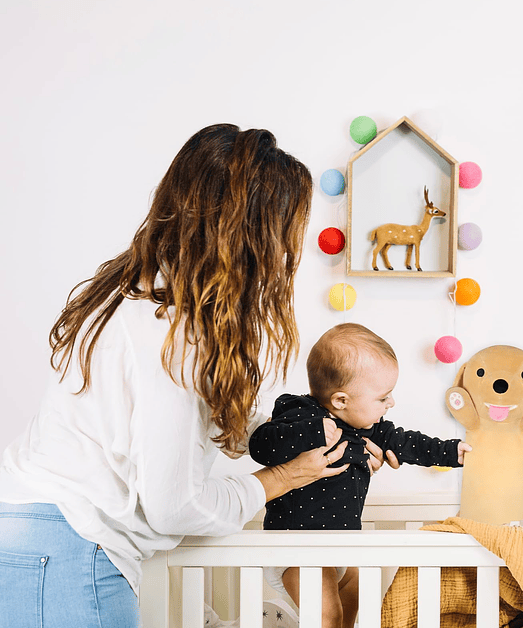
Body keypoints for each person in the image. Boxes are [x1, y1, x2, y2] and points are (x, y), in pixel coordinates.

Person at [0, 124, 384, 628]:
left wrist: (314, 438)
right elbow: (175, 506)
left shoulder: (139, 301)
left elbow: (222, 421)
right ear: (249, 234)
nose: (291, 254)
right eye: (287, 233)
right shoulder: (175, 336)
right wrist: (282, 478)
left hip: (35, 536)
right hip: (70, 549)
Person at [249, 322, 472, 628]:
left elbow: (408, 443)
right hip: (298, 545)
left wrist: (451, 451)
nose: (390, 403)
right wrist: (311, 432)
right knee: (328, 617)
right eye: (383, 397)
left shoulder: (368, 427)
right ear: (341, 400)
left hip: (340, 545)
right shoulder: (301, 412)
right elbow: (262, 444)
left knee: (355, 599)